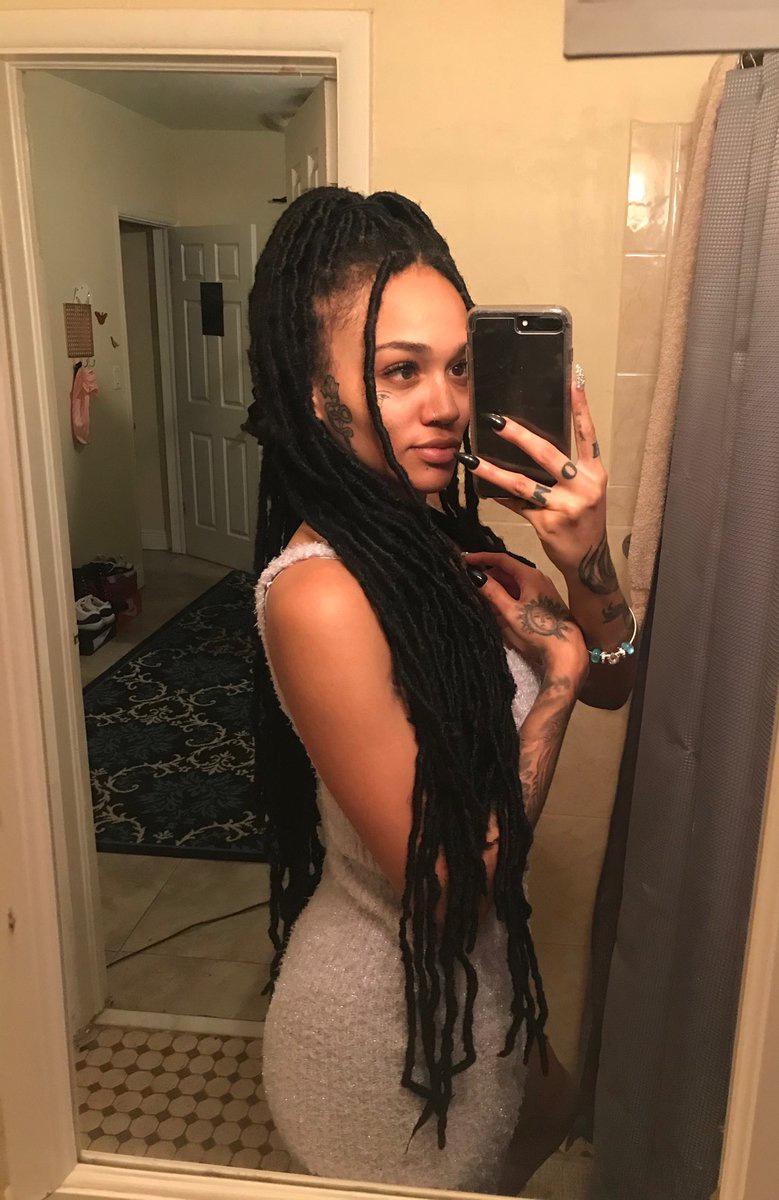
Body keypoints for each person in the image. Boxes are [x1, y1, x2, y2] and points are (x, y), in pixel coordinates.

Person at [245, 186, 637, 1192]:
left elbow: (615, 679)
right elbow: (448, 893)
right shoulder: (321, 595)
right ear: (314, 391)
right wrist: (550, 691)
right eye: (399, 371)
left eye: (459, 366)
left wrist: (586, 563)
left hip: (476, 1002)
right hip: (383, 1046)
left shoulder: (434, 540)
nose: (447, 405)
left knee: (548, 1110)